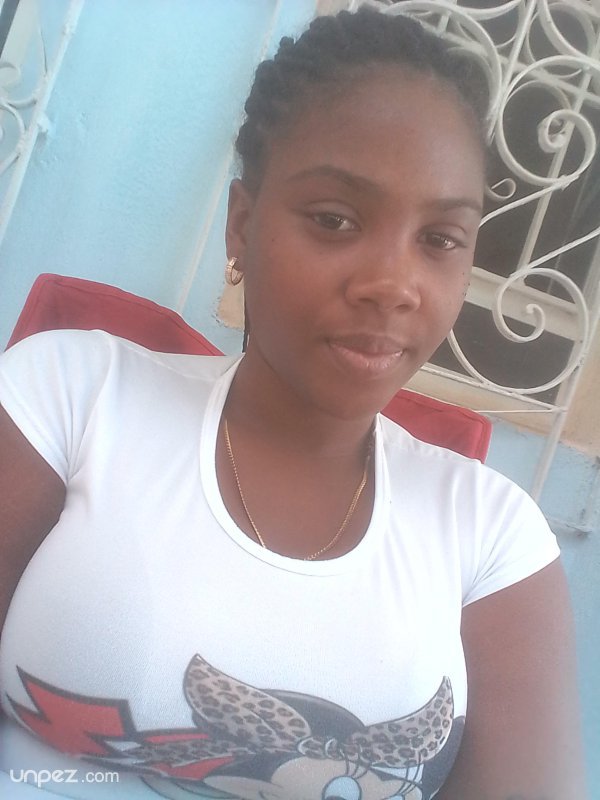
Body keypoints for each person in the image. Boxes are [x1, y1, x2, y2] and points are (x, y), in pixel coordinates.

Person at [0, 6, 588, 800]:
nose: (394, 284)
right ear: (241, 226)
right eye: (335, 220)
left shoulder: (493, 538)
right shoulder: (70, 397)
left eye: (440, 239)